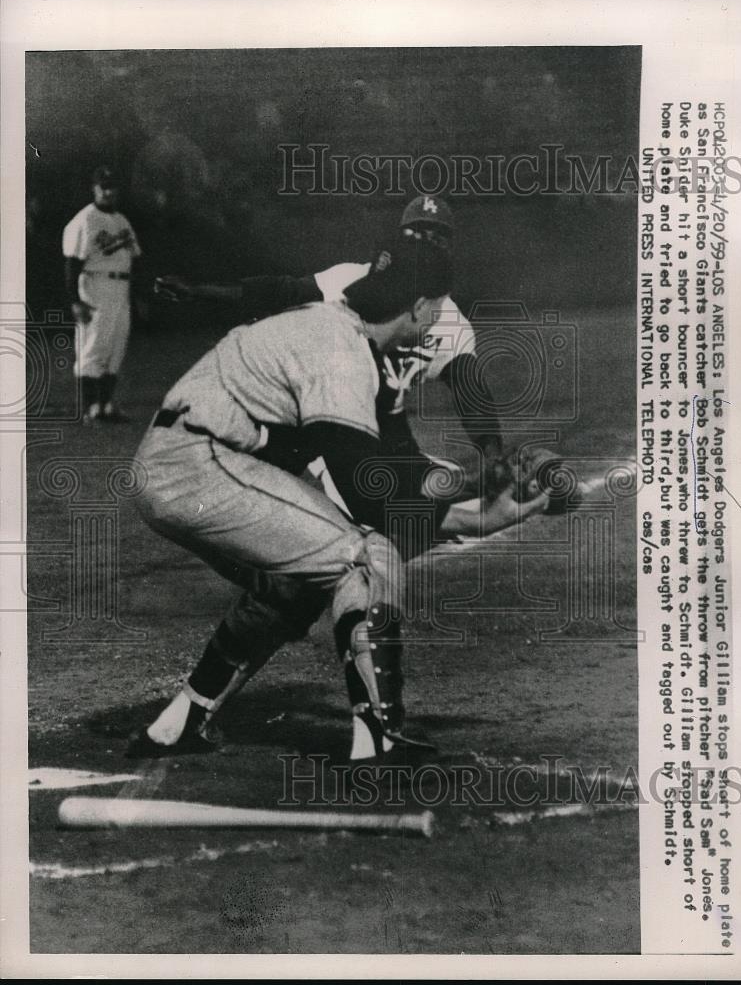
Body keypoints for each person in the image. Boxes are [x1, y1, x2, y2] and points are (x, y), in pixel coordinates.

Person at [128, 236, 548, 764]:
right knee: (365, 556)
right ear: (419, 307)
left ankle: (179, 722)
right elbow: (370, 503)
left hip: (191, 458)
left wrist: (469, 493)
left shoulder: (333, 327)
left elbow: (383, 474)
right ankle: (379, 738)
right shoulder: (343, 353)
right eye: (435, 309)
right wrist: (481, 517)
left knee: (299, 578)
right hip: (197, 464)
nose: (436, 320)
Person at [154, 196, 510, 499]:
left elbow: (470, 388)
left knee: (412, 499)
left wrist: (492, 454)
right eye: (415, 233)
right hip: (316, 420)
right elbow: (282, 291)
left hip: (372, 427)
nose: (425, 241)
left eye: (436, 236)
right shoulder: (354, 279)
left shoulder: (447, 319)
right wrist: (203, 291)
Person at [62, 165, 141, 423]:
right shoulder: (85, 220)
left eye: (112, 187)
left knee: (116, 347)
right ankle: (89, 408)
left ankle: (106, 406)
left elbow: (133, 259)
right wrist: (75, 301)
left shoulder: (121, 220)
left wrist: (137, 296)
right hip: (95, 287)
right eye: (103, 187)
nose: (108, 192)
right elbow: (72, 263)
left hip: (121, 289)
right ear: (94, 188)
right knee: (93, 347)